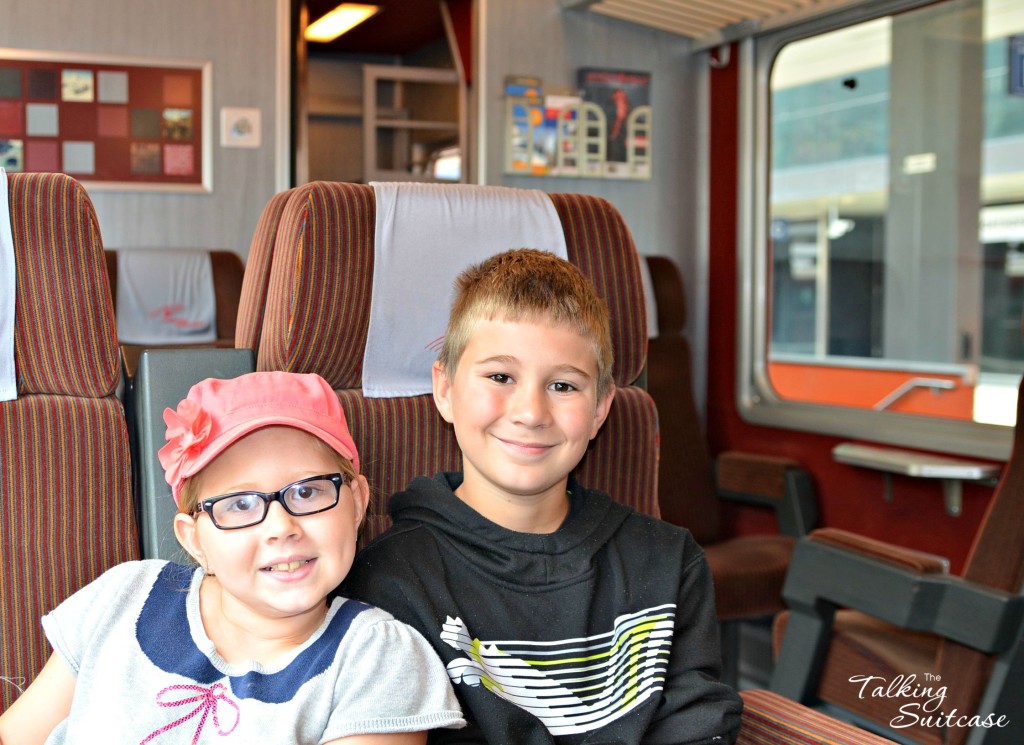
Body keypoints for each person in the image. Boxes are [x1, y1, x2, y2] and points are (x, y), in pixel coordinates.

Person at [342, 249, 744, 744]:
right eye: (500, 377)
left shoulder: (668, 562)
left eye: (562, 385)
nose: (531, 412)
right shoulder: (391, 580)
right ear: (444, 390)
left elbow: (698, 728)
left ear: (600, 409)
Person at [0, 371, 464, 745]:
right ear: (195, 539)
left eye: (307, 491)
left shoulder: (379, 658)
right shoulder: (123, 598)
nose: (281, 526)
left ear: (359, 500)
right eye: (240, 505)